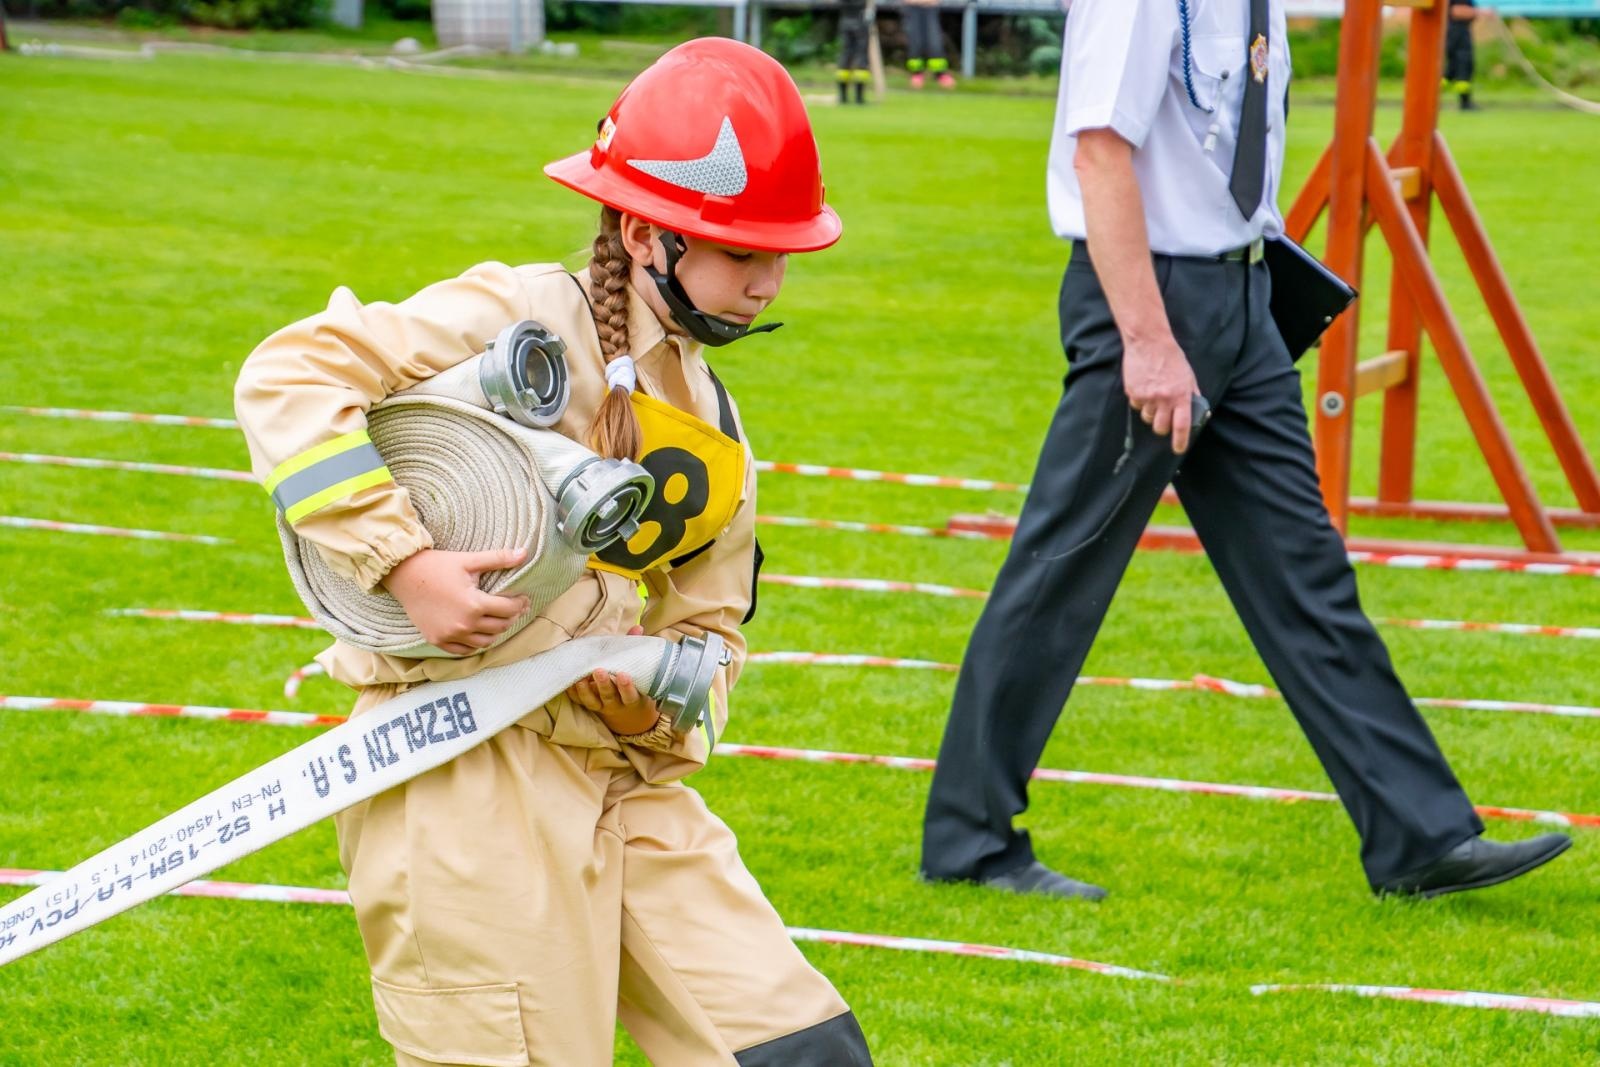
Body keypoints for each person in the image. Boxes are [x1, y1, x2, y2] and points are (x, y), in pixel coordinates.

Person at [235, 38, 873, 1066]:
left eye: (780, 252)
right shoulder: (517, 311)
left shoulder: (707, 405)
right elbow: (288, 374)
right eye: (742, 250)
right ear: (644, 231)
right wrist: (405, 564)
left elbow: (709, 622)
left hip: (626, 784)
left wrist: (663, 692)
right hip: (460, 780)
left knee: (797, 1052)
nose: (767, 279)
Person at [919, 0, 1570, 902]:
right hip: (1151, 300)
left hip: (1244, 294)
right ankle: (969, 839)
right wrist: (1147, 341)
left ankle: (1420, 837)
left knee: (1306, 574)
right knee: (1061, 570)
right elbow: (1100, 152)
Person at [902, 0, 954, 89]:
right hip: (911, 7)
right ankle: (916, 74)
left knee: (934, 44)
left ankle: (940, 74)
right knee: (916, 44)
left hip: (931, 7)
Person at [1445, 0, 1480, 111]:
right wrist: (1479, 12)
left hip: (1458, 33)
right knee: (1461, 67)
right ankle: (1465, 103)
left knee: (1456, 70)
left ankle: (1465, 102)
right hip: (1456, 33)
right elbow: (1456, 11)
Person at [837, 0, 872, 104]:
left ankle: (843, 97)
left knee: (845, 57)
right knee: (861, 58)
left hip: (845, 22)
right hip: (860, 22)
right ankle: (859, 98)